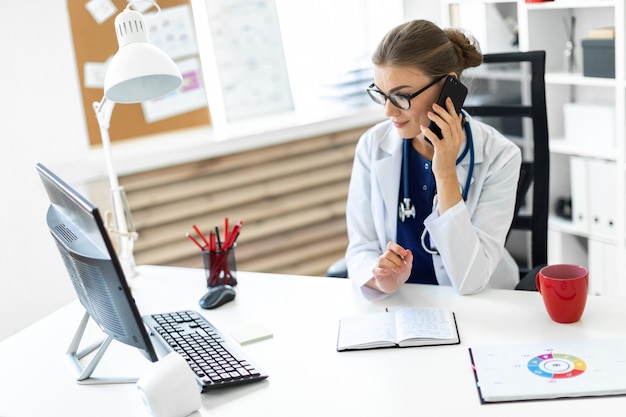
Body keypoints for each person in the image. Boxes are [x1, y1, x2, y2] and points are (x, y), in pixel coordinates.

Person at [345, 19, 522, 300]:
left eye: (401, 96)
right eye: (382, 95)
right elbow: (361, 247)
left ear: (447, 87)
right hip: (403, 301)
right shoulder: (372, 146)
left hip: (480, 306)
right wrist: (380, 279)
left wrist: (445, 171)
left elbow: (471, 281)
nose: (388, 111)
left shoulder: (500, 156)